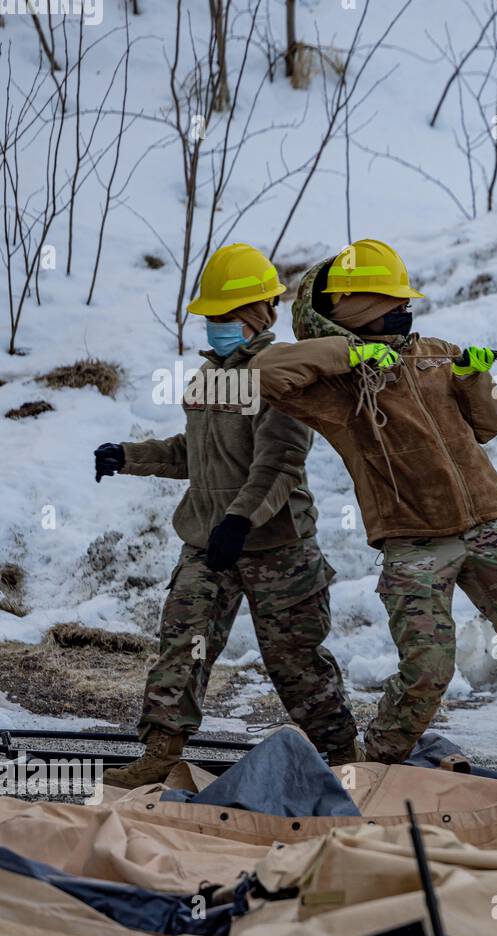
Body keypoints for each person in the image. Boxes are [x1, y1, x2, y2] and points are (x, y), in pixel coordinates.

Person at [249, 238, 497, 764]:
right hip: (414, 543)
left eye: (405, 302)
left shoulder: (435, 354)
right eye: (390, 303)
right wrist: (350, 353)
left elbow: (490, 427)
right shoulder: (333, 387)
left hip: (492, 527)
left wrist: (476, 379)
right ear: (355, 312)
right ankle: (375, 768)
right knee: (427, 670)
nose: (405, 310)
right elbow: (262, 372)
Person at [94, 243, 358, 786]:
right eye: (212, 316)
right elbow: (193, 455)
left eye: (228, 314)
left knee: (296, 664)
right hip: (208, 545)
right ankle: (159, 757)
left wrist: (239, 521)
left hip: (276, 550)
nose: (217, 325)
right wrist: (130, 457)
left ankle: (346, 760)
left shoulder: (283, 374)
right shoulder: (208, 380)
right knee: (182, 647)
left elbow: (278, 465)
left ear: (262, 312)